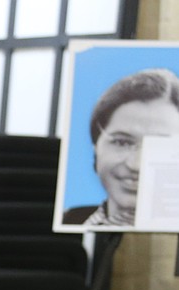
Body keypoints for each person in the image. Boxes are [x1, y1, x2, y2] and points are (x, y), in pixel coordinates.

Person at [63, 68, 179, 227]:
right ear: (96, 146)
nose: (135, 165)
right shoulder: (65, 221)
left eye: (158, 147)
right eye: (122, 142)